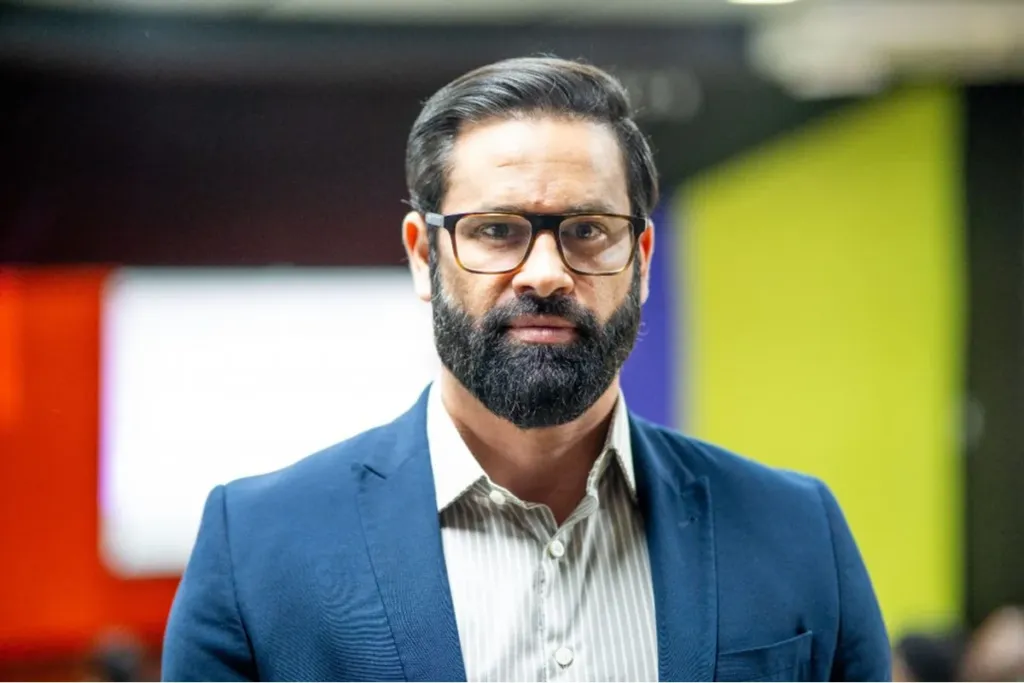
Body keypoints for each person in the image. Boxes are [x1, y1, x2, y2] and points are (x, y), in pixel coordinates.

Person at [162, 56, 890, 682]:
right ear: (423, 255)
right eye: (496, 230)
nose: (545, 273)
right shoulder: (255, 549)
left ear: (640, 261)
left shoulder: (797, 532)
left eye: (589, 230)